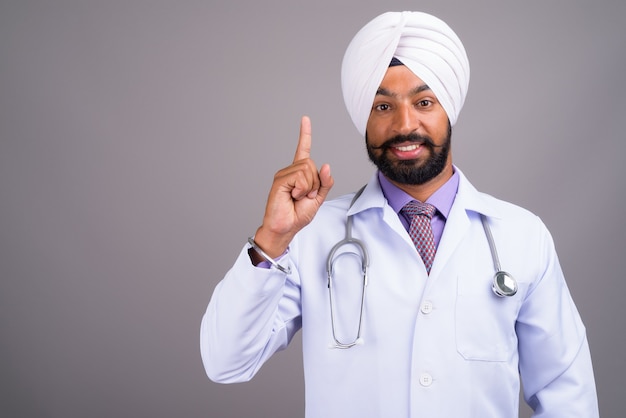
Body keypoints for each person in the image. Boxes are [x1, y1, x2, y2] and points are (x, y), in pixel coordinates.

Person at [200, 11, 599, 417]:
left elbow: (567, 394)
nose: (405, 124)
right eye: (382, 106)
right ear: (364, 120)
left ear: (449, 109)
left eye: (424, 102)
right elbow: (226, 362)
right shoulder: (311, 236)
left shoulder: (522, 236)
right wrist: (271, 239)